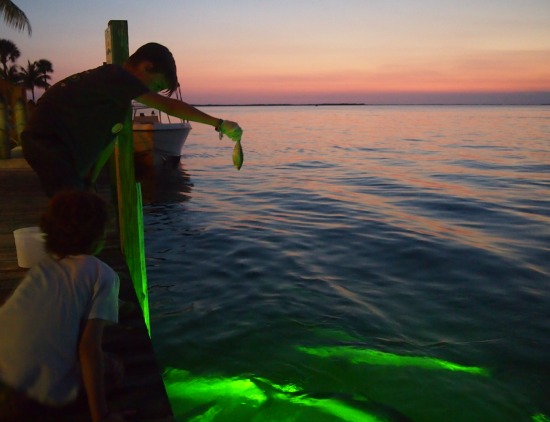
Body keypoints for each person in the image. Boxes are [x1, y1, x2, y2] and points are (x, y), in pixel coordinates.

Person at [21, 42, 243, 197]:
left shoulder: (115, 100)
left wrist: (92, 179)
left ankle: (72, 252)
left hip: (58, 147)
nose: (151, 94)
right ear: (146, 66)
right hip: (46, 142)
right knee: (70, 205)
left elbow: (107, 142)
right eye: (155, 86)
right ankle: (67, 256)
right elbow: (169, 106)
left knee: (78, 197)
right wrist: (219, 123)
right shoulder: (116, 76)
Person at [0, 191, 125, 422]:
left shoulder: (42, 269)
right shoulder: (103, 275)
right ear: (99, 235)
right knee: (113, 368)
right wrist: (102, 416)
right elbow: (89, 349)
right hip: (27, 399)